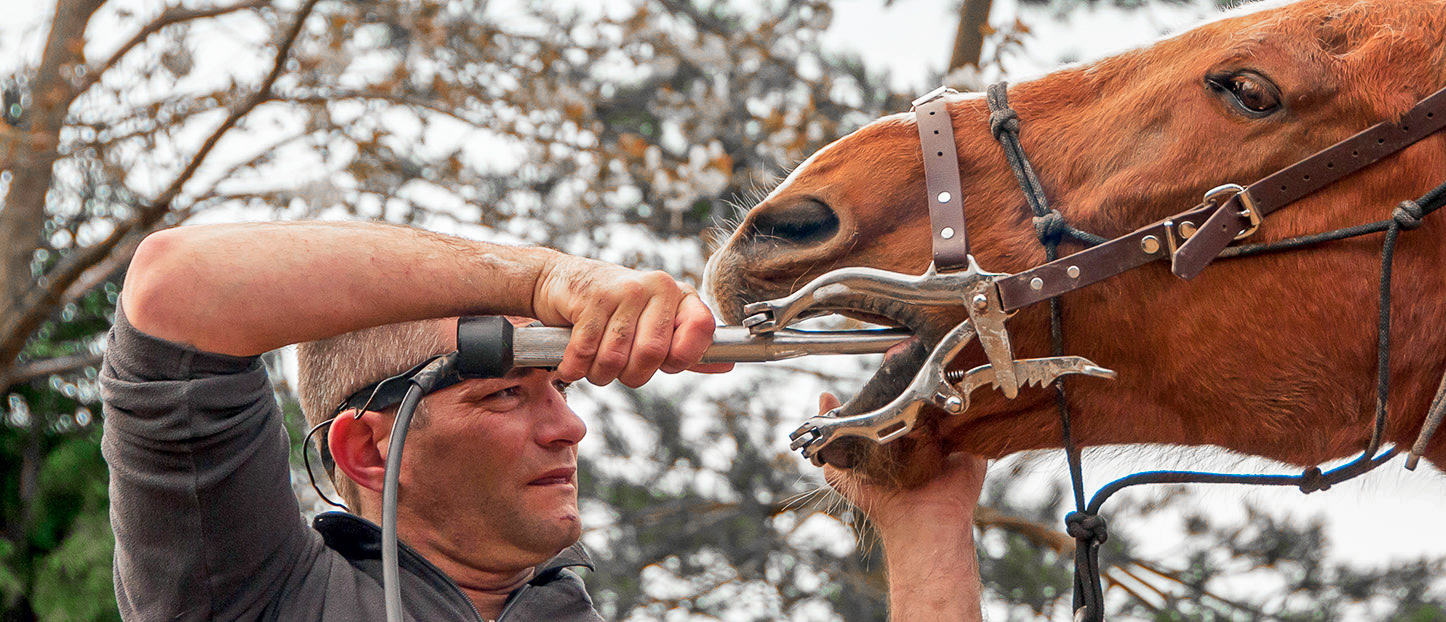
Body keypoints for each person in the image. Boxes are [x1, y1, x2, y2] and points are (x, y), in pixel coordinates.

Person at [102, 221, 983, 621]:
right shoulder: (259, 597)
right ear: (368, 450)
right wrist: (542, 282)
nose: (571, 430)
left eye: (560, 389)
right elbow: (177, 290)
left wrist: (926, 524)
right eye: (506, 390)